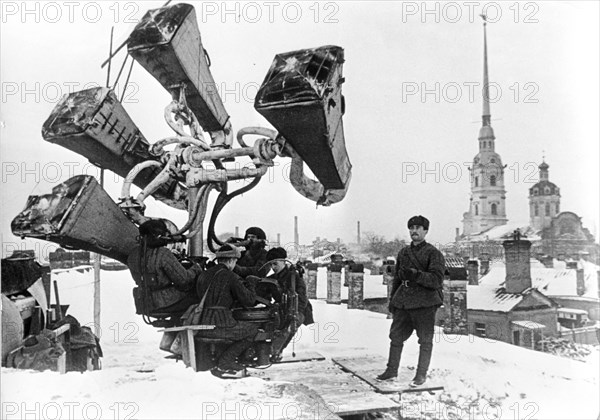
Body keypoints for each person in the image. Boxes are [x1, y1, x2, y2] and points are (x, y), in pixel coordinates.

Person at [377, 215, 445, 387]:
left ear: (425, 231)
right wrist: (393, 300)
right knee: (396, 337)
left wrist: (416, 274)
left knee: (425, 340)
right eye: (411, 228)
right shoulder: (403, 252)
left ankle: (420, 375)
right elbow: (397, 280)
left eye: (418, 228)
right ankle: (391, 370)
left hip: (424, 303)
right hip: (404, 301)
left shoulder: (433, 253)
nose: (414, 231)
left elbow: (436, 280)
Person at [194, 244, 260, 373]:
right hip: (220, 325)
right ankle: (226, 361)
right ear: (231, 261)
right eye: (235, 261)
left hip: (201, 324)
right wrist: (251, 283)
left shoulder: (203, 275)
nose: (235, 265)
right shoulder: (230, 276)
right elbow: (249, 301)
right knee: (253, 330)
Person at [127, 219, 202, 317]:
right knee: (202, 294)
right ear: (159, 236)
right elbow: (184, 280)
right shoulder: (163, 254)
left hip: (144, 304)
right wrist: (196, 268)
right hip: (165, 303)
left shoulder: (132, 255)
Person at [258, 247, 313, 361]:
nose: (273, 267)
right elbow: (263, 295)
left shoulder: (294, 277)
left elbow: (302, 299)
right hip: (280, 309)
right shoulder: (271, 279)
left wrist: (292, 312)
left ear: (283, 261)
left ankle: (276, 351)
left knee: (289, 327)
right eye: (271, 265)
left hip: (299, 309)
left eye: (275, 264)